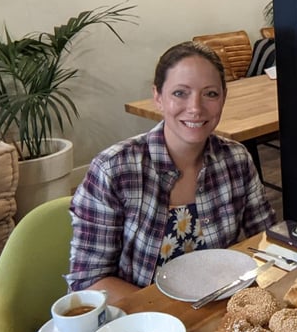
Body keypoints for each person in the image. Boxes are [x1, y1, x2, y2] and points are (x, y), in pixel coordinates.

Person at [66, 41, 277, 302]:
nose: (195, 108)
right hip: (140, 325)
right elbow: (89, 281)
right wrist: (179, 315)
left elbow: (266, 241)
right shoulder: (114, 169)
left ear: (223, 97)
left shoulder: (236, 159)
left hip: (219, 313)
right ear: (158, 97)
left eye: (210, 94)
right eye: (180, 93)